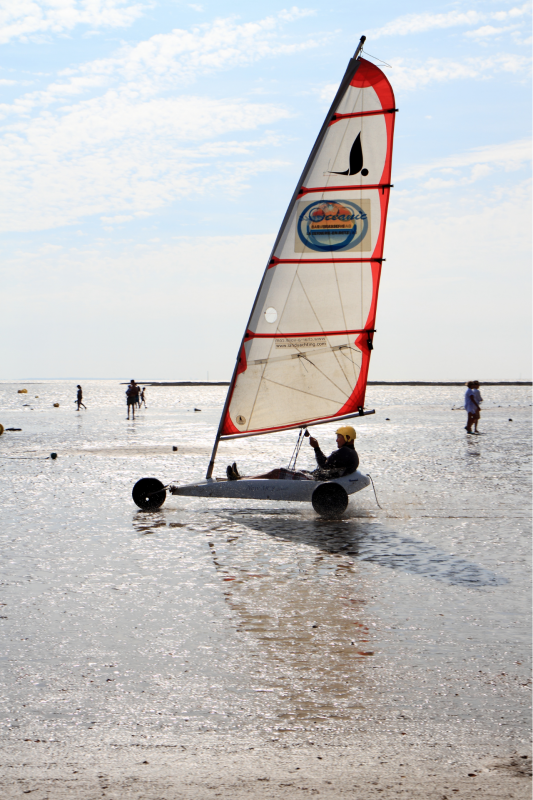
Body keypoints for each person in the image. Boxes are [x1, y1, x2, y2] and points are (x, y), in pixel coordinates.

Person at [226, 426, 359, 481]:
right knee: (285, 471)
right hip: (316, 477)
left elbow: (324, 466)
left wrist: (316, 448)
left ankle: (240, 479)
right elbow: (327, 465)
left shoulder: (345, 452)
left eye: (339, 437)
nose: (337, 439)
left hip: (315, 481)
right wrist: (317, 449)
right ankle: (243, 477)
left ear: (348, 438)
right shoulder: (350, 453)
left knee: (277, 472)